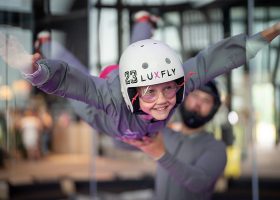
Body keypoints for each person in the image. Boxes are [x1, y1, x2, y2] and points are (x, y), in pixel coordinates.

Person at [0, 17, 279, 142]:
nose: (163, 102)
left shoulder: (182, 83)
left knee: (139, 52)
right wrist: (33, 69)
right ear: (132, 95)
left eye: (168, 89)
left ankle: (143, 20)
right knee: (76, 99)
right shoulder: (109, 96)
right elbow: (71, 81)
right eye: (150, 94)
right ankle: (47, 42)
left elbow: (219, 59)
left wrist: (273, 30)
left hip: (137, 120)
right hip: (105, 117)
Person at [123, 80, 227, 200]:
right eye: (195, 95)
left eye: (206, 100)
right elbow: (122, 143)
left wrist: (161, 155)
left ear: (213, 110)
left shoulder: (216, 148)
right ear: (184, 98)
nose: (198, 103)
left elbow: (199, 183)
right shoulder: (164, 133)